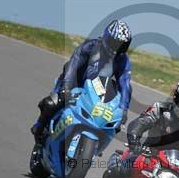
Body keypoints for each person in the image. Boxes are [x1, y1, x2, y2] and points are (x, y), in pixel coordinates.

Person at [31, 20, 132, 151]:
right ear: (107, 37)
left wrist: (123, 109)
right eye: (115, 42)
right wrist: (65, 88)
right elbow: (72, 65)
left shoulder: (123, 60)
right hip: (74, 83)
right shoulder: (90, 46)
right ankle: (39, 127)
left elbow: (125, 84)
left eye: (122, 45)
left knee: (115, 123)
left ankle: (95, 148)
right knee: (52, 103)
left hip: (97, 91)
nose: (116, 48)